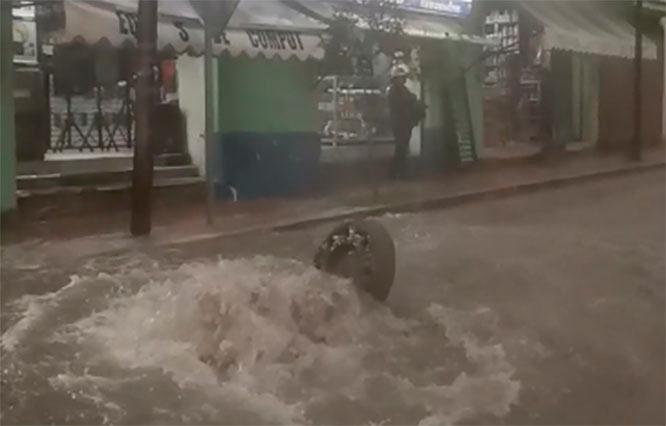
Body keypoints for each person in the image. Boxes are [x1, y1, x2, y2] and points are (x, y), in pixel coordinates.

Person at [387, 63, 424, 178]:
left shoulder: (403, 89)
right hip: (399, 122)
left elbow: (411, 99)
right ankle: (396, 172)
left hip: (405, 122)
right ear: (395, 79)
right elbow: (400, 104)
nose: (403, 79)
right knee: (401, 147)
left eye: (404, 77)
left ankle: (399, 171)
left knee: (403, 147)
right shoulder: (393, 91)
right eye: (401, 78)